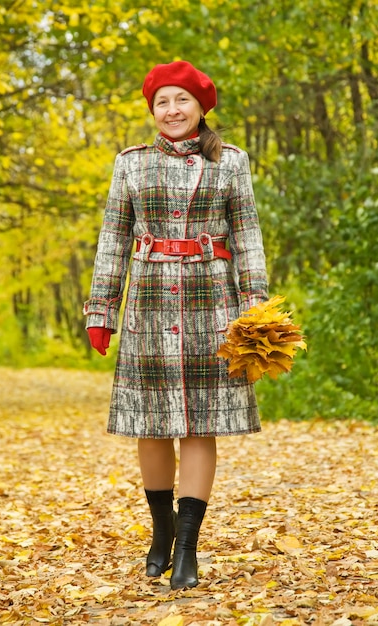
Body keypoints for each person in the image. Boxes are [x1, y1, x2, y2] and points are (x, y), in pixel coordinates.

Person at [83, 60, 268, 590]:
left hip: (213, 302)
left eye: (181, 101)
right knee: (151, 423)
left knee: (200, 423)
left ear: (200, 107)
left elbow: (248, 235)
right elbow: (114, 238)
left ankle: (187, 547)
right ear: (152, 110)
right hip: (148, 301)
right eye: (162, 102)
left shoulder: (231, 162)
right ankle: (161, 530)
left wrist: (255, 310)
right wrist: (102, 309)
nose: (172, 110)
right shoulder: (130, 164)